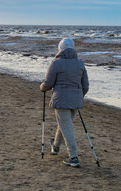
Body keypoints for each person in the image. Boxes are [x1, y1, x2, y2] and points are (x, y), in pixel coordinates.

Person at [40, 38, 89, 167]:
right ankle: (55, 147)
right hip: (76, 101)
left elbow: (48, 84)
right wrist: (78, 96)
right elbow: (86, 86)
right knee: (64, 125)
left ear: (60, 49)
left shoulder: (56, 63)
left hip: (61, 100)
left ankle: (73, 157)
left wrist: (42, 87)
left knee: (67, 127)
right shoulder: (80, 64)